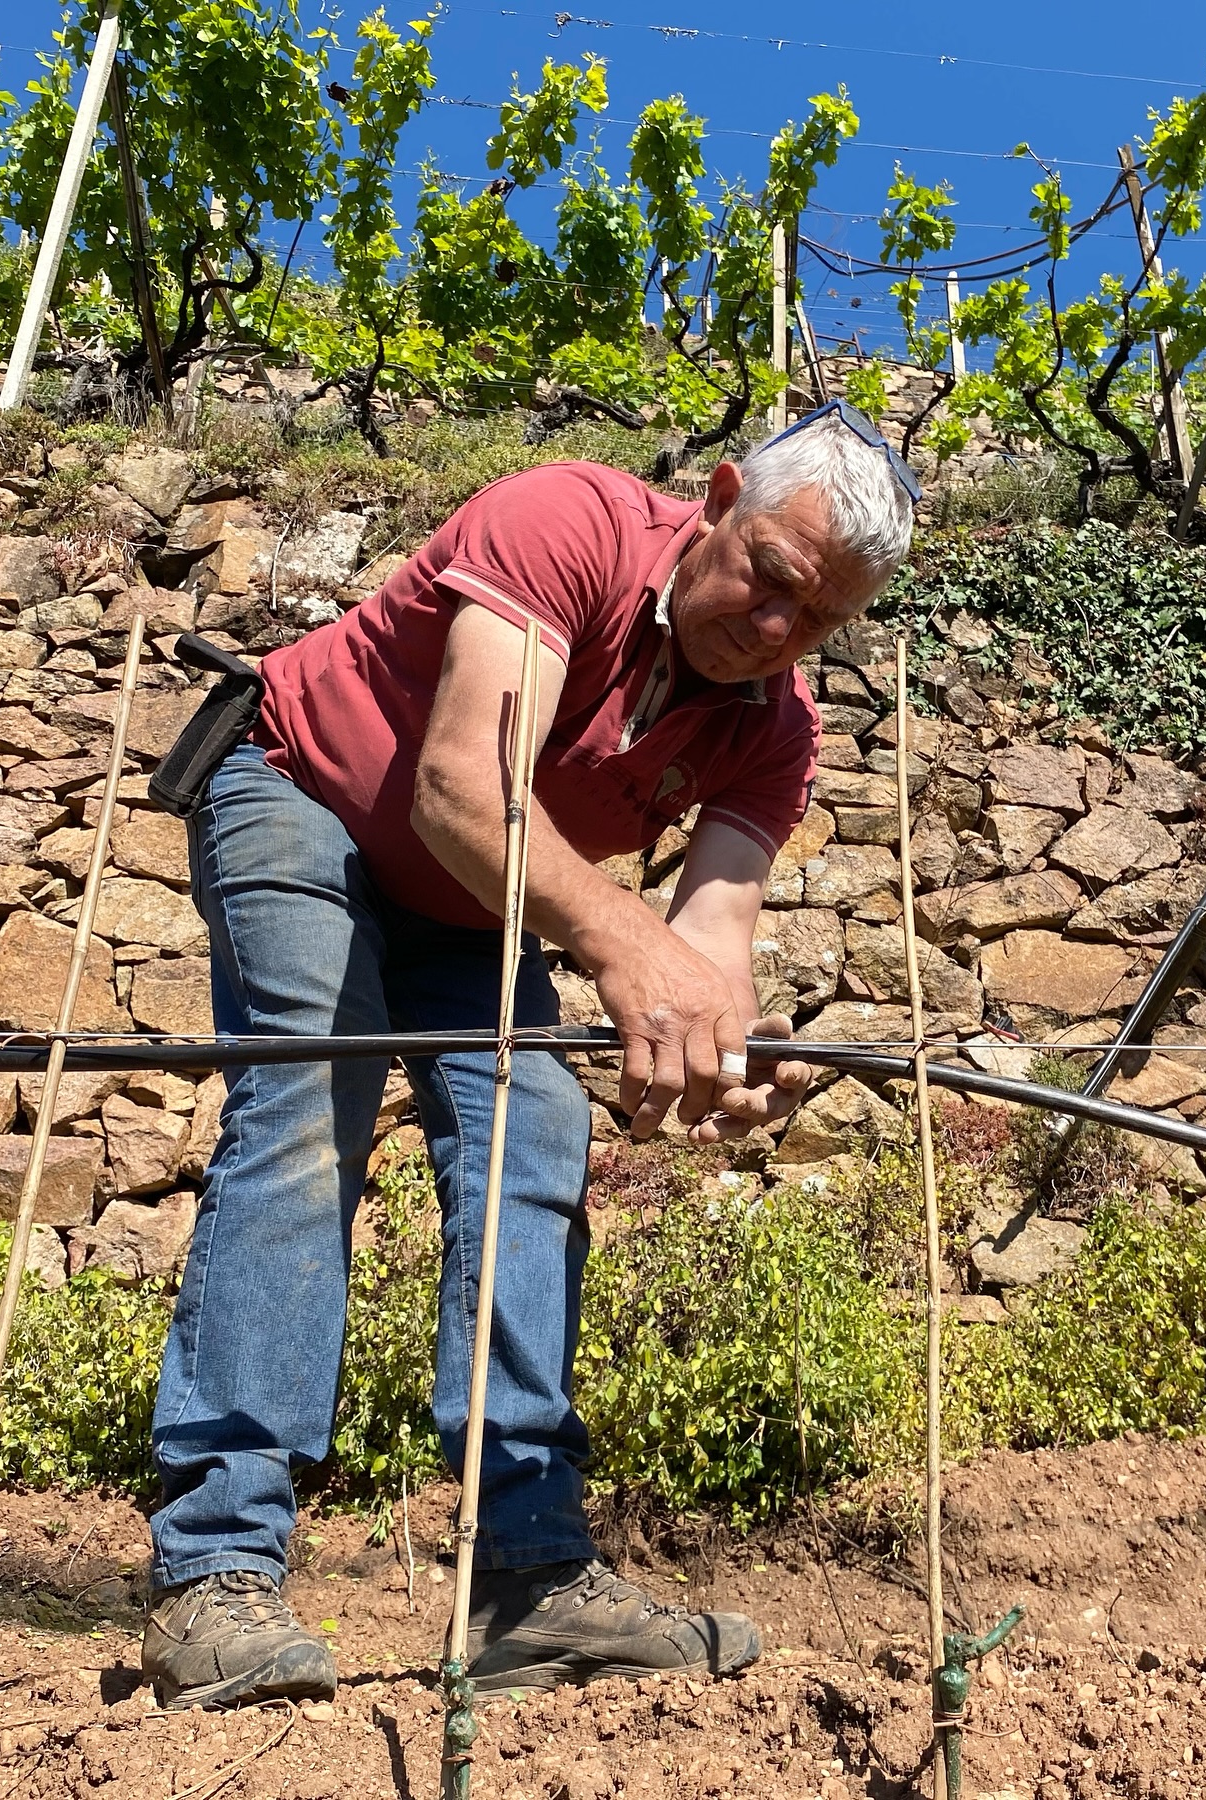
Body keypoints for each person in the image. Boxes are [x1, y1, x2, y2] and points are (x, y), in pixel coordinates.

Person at [140, 403, 916, 1711]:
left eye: (819, 620)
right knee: (310, 1094)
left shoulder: (771, 729)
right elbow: (460, 787)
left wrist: (717, 1044)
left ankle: (532, 1578)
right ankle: (213, 1569)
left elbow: (709, 937)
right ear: (723, 496)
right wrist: (628, 953)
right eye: (771, 579)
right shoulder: (573, 522)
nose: (777, 631)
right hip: (301, 790)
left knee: (538, 1132)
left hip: (472, 904)